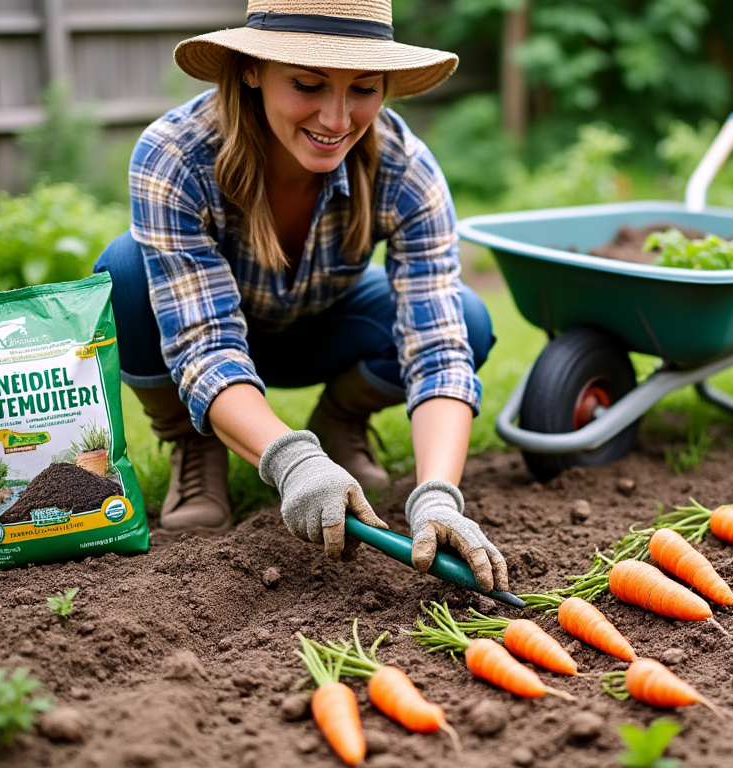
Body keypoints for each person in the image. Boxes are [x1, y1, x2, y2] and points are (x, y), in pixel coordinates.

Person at [93, 0, 508, 591]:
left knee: (467, 317)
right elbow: (204, 345)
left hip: (321, 330)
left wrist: (438, 497)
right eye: (309, 84)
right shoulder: (176, 155)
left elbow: (439, 346)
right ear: (252, 69)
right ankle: (196, 443)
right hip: (215, 340)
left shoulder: (403, 168)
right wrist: (292, 462)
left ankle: (341, 420)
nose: (337, 119)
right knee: (124, 271)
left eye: (363, 88)